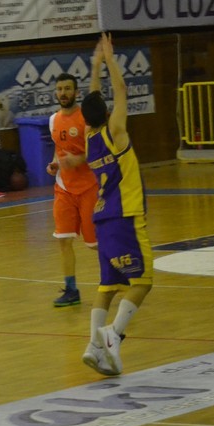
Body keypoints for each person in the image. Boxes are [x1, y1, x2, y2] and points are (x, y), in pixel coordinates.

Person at [79, 33, 153, 377]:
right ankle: (112, 336)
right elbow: (121, 90)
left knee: (107, 287)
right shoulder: (115, 131)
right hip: (125, 216)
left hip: (102, 219)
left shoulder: (90, 138)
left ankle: (93, 346)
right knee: (143, 281)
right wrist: (109, 60)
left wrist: (94, 68)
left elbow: (93, 101)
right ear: (107, 112)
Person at [47, 72, 99, 308]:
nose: (63, 93)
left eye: (67, 88)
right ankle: (71, 289)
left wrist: (79, 159)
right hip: (64, 188)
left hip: (89, 187)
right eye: (59, 89)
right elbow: (58, 148)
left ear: (76, 92)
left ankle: (120, 273)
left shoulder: (86, 118)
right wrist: (54, 164)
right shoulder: (53, 120)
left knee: (95, 243)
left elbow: (98, 149)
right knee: (64, 240)